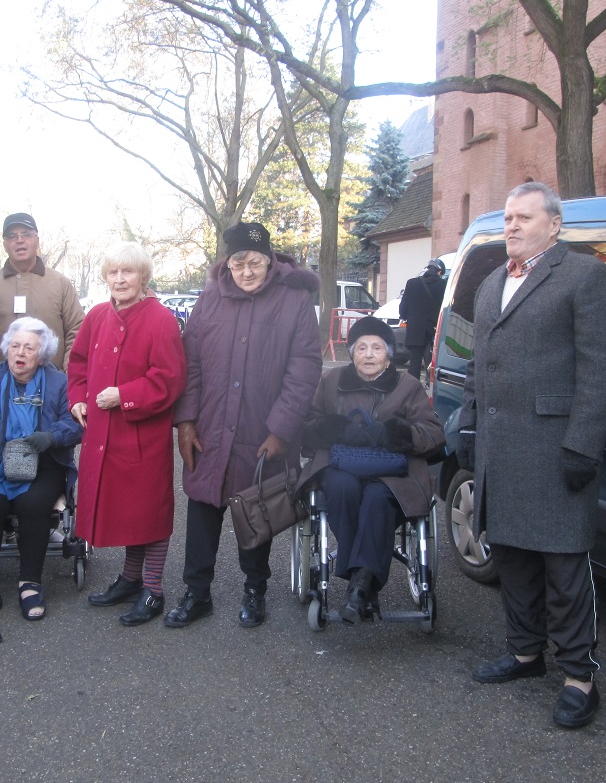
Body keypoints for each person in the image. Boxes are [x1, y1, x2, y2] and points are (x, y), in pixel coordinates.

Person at [458, 182, 606, 728]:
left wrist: (583, 445)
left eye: (524, 217)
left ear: (554, 225)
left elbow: (604, 371)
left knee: (564, 568)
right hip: (500, 449)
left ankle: (580, 677)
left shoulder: (586, 277)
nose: (511, 226)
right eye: (507, 217)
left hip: (555, 450)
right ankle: (526, 654)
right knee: (512, 558)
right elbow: (480, 362)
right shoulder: (490, 284)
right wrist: (470, 421)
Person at [165, 221, 322, 629]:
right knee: (202, 511)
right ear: (227, 263)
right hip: (211, 426)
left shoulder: (294, 299)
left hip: (262, 428)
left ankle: (255, 591)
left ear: (269, 260)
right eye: (238, 262)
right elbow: (192, 362)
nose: (247, 271)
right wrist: (185, 421)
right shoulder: (210, 298)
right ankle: (196, 593)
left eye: (255, 262)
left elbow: (304, 368)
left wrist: (281, 429)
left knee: (257, 512)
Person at [68, 242, 187, 626]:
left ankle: (153, 588)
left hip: (141, 436)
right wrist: (77, 400)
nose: (120, 279)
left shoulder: (161, 320)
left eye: (128, 272)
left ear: (143, 277)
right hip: (101, 435)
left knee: (147, 511)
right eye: (113, 272)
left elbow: (170, 380)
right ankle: (131, 578)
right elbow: (79, 364)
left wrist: (124, 395)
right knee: (126, 512)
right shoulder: (97, 315)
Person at [298, 317, 446, 622]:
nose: (368, 354)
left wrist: (395, 434)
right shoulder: (331, 382)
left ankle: (359, 585)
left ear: (388, 354)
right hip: (342, 466)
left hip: (391, 473)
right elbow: (308, 427)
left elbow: (434, 434)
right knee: (341, 488)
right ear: (351, 353)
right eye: (361, 347)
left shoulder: (408, 386)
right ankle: (363, 585)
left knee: (378, 498)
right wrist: (335, 428)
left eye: (376, 347)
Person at [0, 317, 83, 624]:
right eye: (15, 346)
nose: (20, 353)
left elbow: (77, 425)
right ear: (6, 349)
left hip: (44, 465)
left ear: (41, 355)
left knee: (32, 504)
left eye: (29, 347)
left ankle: (30, 582)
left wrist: (52, 436)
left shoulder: (58, 382)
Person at [0, 212, 86, 373]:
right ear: (5, 245)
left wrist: (69, 373)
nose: (19, 240)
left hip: (51, 387)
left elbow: (77, 331)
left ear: (37, 241)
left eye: (26, 234)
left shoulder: (60, 284)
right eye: (12, 236)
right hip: (0, 385)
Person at [398, 258, 447, 380]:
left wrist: (405, 317)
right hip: (434, 332)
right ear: (440, 272)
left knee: (414, 364)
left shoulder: (412, 283)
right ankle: (430, 389)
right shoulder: (443, 285)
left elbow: (403, 306)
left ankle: (412, 391)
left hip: (415, 332)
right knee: (432, 364)